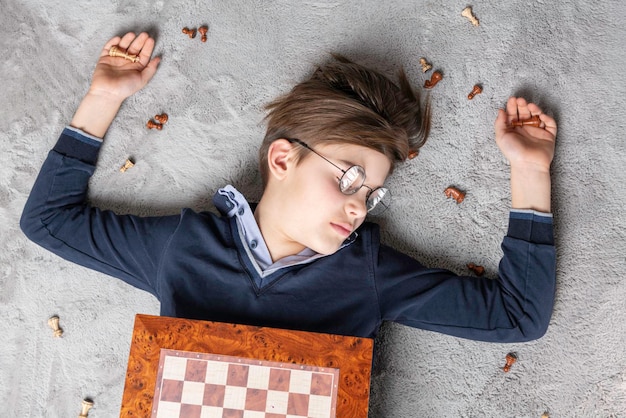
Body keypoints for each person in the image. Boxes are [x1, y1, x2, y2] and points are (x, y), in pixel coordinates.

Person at [20, 32, 557, 342]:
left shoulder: (366, 273)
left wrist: (529, 170)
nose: (358, 207)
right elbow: (47, 221)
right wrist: (104, 97)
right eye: (349, 177)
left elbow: (516, 317)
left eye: (371, 194)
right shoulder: (182, 248)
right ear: (283, 158)